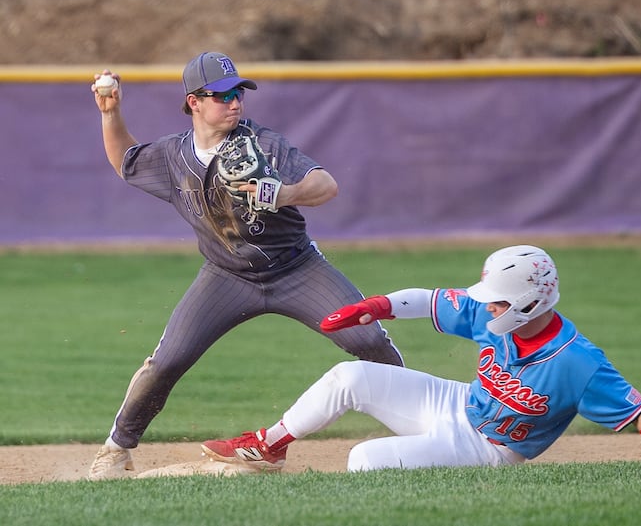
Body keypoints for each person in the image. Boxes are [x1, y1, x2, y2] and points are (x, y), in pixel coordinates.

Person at [87, 52, 404, 480]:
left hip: (297, 269)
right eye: (222, 95)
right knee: (167, 361)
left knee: (367, 339)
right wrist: (111, 114)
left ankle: (423, 425)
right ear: (194, 102)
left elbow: (325, 185)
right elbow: (126, 160)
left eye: (239, 92)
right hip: (226, 276)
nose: (235, 102)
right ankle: (116, 450)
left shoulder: (263, 143)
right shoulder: (173, 156)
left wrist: (284, 193)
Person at [201, 245, 641, 472]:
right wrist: (375, 306)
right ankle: (269, 443)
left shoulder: (578, 363)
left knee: (364, 461)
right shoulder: (494, 317)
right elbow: (429, 299)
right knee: (349, 376)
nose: (489, 305)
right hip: (459, 405)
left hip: (493, 450)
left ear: (530, 303)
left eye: (498, 299)